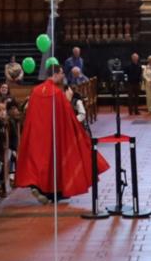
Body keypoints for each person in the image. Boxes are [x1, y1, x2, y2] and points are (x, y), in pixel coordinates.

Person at [14, 66, 107, 202]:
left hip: (37, 134)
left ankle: (39, 187)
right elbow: (66, 115)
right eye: (62, 73)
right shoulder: (56, 93)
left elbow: (30, 116)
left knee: (40, 161)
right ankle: (54, 192)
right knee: (54, 162)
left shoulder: (35, 91)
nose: (63, 76)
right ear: (56, 74)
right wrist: (68, 100)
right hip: (54, 135)